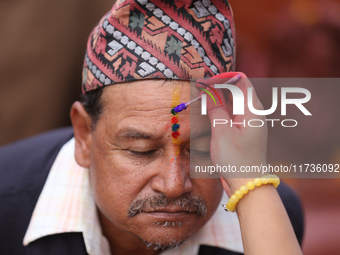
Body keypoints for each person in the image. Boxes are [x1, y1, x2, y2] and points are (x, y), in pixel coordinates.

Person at [0, 0, 304, 254]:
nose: (173, 185)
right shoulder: (7, 204)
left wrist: (255, 194)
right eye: (141, 150)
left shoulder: (265, 213)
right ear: (83, 136)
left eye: (199, 149)